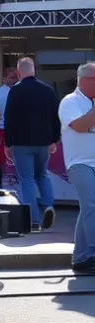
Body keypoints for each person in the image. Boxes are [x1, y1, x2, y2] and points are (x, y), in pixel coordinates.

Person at [4, 56, 61, 231]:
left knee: (27, 179)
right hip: (43, 142)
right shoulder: (48, 90)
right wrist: (54, 139)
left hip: (22, 143)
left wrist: (8, 143)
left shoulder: (15, 91)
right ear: (33, 70)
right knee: (42, 174)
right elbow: (55, 117)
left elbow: (9, 119)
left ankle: (33, 220)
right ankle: (49, 206)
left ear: (19, 72)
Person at [59, 61, 95, 273]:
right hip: (79, 163)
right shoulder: (70, 102)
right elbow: (80, 126)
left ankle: (81, 258)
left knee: (87, 207)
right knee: (92, 203)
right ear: (83, 81)